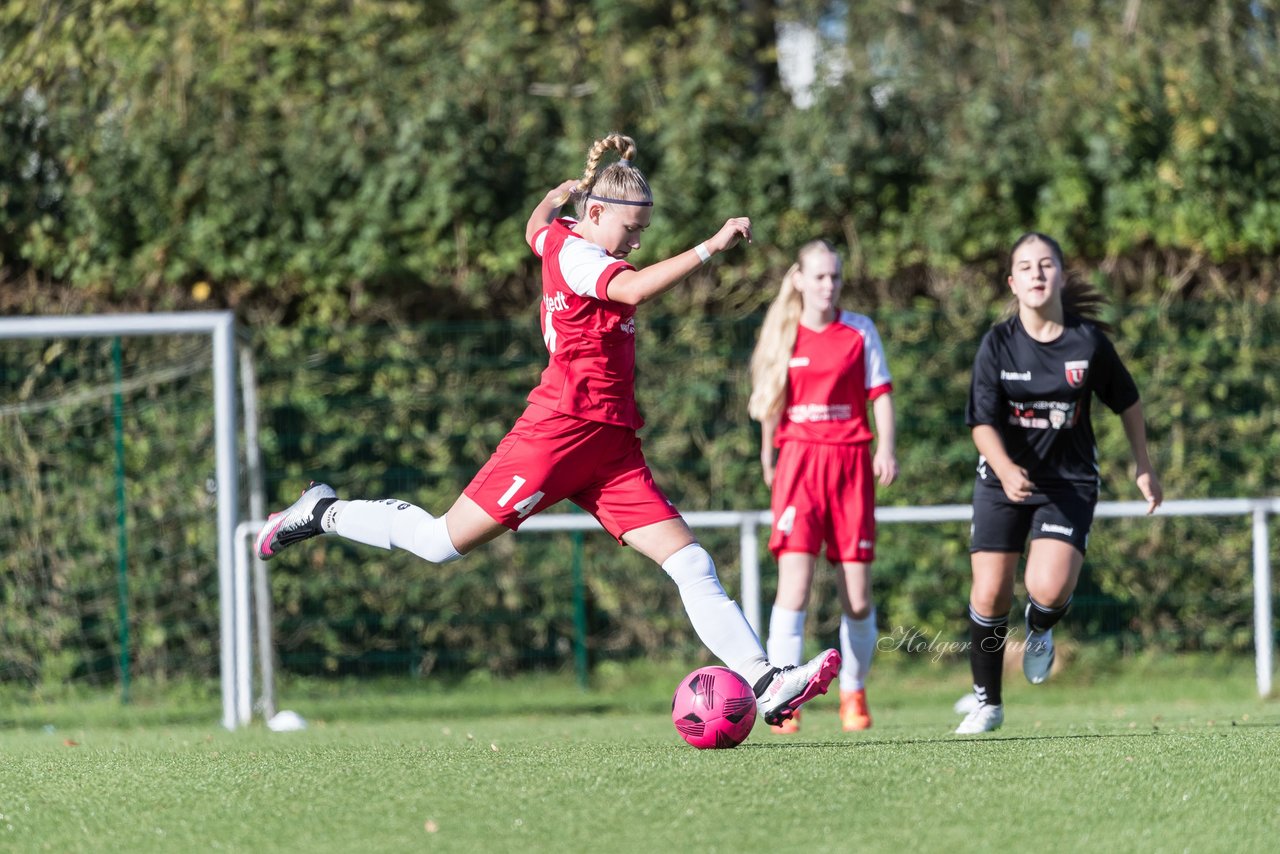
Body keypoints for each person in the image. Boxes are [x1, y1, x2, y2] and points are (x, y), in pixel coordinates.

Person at [256, 132, 840, 727]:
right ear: (594, 213)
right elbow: (635, 289)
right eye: (630, 230)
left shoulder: (558, 236)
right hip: (556, 434)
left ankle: (765, 680)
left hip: (611, 446)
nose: (636, 242)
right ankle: (323, 512)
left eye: (642, 231)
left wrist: (552, 195)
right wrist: (710, 246)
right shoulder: (582, 259)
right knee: (439, 544)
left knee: (691, 563)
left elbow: (533, 226)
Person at [953, 232, 1163, 735]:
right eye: (1025, 267)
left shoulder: (1086, 342)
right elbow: (981, 422)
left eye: (1046, 265)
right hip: (1001, 478)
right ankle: (988, 703)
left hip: (1067, 482)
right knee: (989, 594)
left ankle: (1040, 628)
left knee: (1045, 589)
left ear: (1061, 277)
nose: (1037, 274)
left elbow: (1127, 401)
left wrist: (1144, 465)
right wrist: (1004, 468)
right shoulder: (998, 343)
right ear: (1013, 282)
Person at [747, 239, 897, 734]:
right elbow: (770, 400)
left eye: (834, 276)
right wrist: (769, 457)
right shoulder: (783, 334)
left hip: (851, 463)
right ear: (799, 279)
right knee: (795, 588)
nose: (828, 285)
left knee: (856, 595)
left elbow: (880, 393)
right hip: (798, 466)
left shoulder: (859, 330)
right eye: (819, 277)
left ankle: (853, 691)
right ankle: (781, 700)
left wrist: (886, 448)